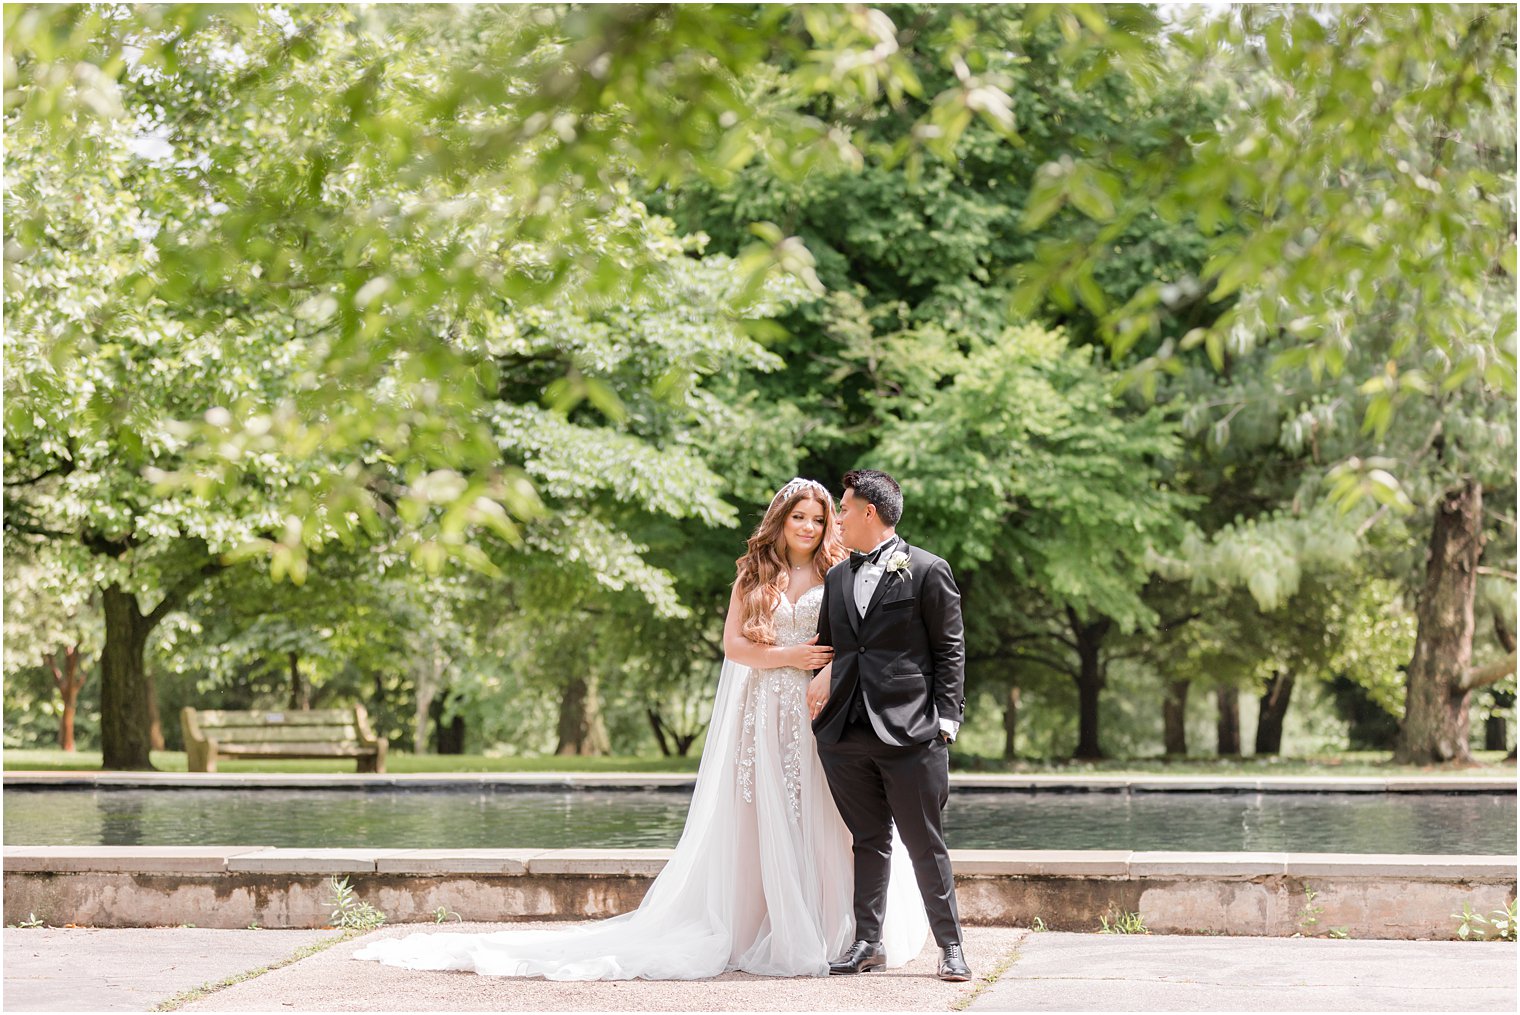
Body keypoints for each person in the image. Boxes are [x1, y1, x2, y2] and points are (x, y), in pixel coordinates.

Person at [352, 478, 928, 980]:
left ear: (831, 523)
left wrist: (822, 672)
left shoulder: (842, 572)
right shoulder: (755, 574)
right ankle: (764, 926)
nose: (808, 525)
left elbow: (856, 641)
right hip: (764, 712)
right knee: (765, 816)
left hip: (818, 712)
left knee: (826, 816)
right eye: (798, 516)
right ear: (779, 522)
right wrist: (790, 656)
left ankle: (841, 931)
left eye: (819, 517)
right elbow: (734, 647)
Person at [807, 468, 972, 982]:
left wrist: (945, 723)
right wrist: (820, 684)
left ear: (869, 513)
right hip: (845, 735)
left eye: (843, 507)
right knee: (867, 839)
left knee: (925, 842)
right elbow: (833, 645)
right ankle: (866, 942)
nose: (837, 517)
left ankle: (951, 948)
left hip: (911, 732)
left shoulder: (926, 570)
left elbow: (950, 649)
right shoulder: (836, 577)